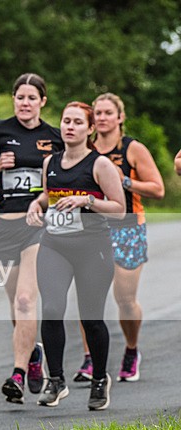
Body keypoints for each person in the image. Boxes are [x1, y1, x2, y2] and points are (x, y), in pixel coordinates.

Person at [26, 101, 124, 410]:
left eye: (78, 122)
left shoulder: (100, 165)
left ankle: (99, 379)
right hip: (55, 245)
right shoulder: (50, 162)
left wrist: (87, 201)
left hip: (92, 249)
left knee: (91, 318)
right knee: (52, 308)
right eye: (66, 121)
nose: (70, 127)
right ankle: (56, 380)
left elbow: (119, 209)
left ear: (90, 129)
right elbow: (49, 195)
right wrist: (36, 204)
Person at [0, 73, 63, 403]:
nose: (25, 103)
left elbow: (69, 174)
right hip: (1, 225)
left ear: (42, 101)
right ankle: (32, 353)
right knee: (15, 303)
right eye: (20, 97)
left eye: (31, 98)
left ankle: (18, 373)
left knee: (26, 300)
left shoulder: (54, 137)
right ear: (13, 99)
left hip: (37, 225)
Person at [71, 94, 165, 383]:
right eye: (97, 113)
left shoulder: (132, 149)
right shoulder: (85, 148)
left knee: (124, 299)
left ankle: (131, 349)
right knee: (88, 297)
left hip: (128, 228)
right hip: (91, 228)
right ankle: (90, 358)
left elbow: (158, 189)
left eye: (108, 113)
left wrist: (122, 180)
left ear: (120, 117)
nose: (102, 118)